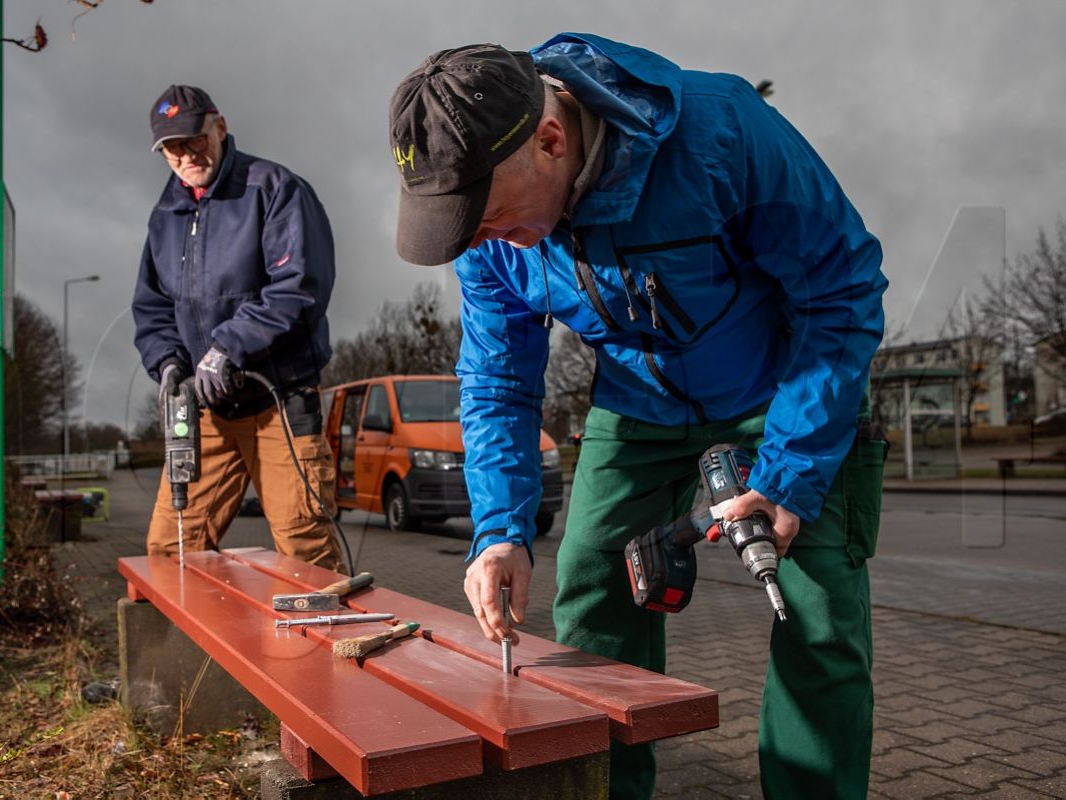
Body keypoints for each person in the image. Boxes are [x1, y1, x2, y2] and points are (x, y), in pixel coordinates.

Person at [387, 35, 887, 800]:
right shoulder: (484, 230)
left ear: (550, 139)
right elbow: (495, 379)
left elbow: (840, 290)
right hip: (637, 403)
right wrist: (498, 532)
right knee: (591, 582)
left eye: (487, 221)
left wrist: (790, 473)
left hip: (779, 389)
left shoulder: (723, 133)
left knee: (815, 615)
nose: (479, 244)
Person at [132, 84, 345, 572]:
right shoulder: (165, 216)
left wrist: (228, 346)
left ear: (220, 127)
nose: (186, 156)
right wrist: (168, 363)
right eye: (172, 148)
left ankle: (334, 646)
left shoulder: (274, 188)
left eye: (193, 139)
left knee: (304, 548)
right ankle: (191, 650)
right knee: (170, 549)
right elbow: (152, 306)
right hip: (207, 411)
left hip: (279, 403)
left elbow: (300, 286)